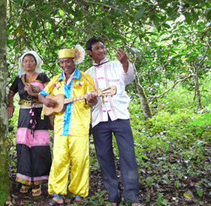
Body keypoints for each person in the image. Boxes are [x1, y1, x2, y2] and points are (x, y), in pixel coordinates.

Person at [38, 46, 97, 206]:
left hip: (79, 127)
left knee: (80, 160)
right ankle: (57, 194)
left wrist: (91, 99)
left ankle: (79, 194)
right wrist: (45, 100)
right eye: (62, 62)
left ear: (73, 61)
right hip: (60, 128)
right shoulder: (56, 80)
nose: (64, 64)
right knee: (59, 160)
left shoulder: (85, 78)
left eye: (67, 61)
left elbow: (94, 100)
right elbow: (41, 94)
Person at [85, 37, 139, 206]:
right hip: (99, 120)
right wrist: (90, 100)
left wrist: (125, 63)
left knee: (128, 156)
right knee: (104, 158)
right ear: (90, 53)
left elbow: (129, 77)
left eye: (103, 47)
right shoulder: (88, 74)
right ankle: (113, 197)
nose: (101, 50)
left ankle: (132, 197)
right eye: (97, 48)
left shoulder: (117, 65)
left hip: (120, 117)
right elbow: (88, 101)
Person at [7, 51, 52, 197]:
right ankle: (25, 180)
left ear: (36, 62)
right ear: (22, 63)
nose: (28, 63)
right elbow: (10, 93)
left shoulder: (43, 77)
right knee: (24, 145)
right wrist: (10, 105)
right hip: (24, 115)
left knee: (39, 147)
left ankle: (37, 182)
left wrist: (36, 91)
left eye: (31, 60)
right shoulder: (19, 79)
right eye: (25, 61)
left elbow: (51, 91)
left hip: (40, 114)